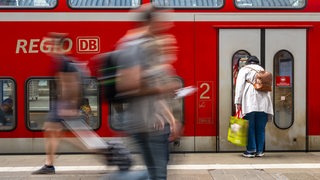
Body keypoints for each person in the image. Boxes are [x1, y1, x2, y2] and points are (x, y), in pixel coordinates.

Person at [111, 4, 180, 180]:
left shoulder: (141, 44)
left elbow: (148, 86)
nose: (167, 24)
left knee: (154, 173)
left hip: (148, 122)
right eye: (162, 19)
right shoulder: (138, 46)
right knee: (157, 175)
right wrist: (165, 88)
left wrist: (170, 118)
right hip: (147, 123)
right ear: (151, 20)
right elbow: (129, 85)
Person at [32, 32, 85, 174]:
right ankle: (49, 164)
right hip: (64, 102)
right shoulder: (63, 60)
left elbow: (68, 84)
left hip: (63, 103)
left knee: (51, 130)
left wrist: (68, 106)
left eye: (50, 44)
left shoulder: (62, 61)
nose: (47, 47)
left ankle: (103, 152)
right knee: (53, 131)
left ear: (57, 45)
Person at [234, 56, 273, 158]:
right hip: (264, 103)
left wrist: (237, 101)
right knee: (260, 128)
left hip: (249, 102)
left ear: (248, 63)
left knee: (249, 126)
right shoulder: (263, 71)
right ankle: (259, 151)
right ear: (257, 63)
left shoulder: (244, 69)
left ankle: (251, 150)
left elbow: (239, 86)